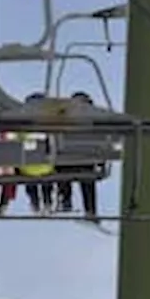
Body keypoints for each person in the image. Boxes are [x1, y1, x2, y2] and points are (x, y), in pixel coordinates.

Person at [55, 91, 99, 220]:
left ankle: (66, 200)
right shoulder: (94, 121)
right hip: (86, 162)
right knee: (88, 181)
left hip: (67, 162)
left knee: (61, 169)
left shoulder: (64, 120)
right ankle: (90, 210)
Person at [17, 92, 57, 213]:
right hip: (46, 167)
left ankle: (34, 202)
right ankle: (48, 200)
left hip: (27, 168)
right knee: (47, 165)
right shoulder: (49, 124)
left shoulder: (21, 124)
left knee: (26, 165)